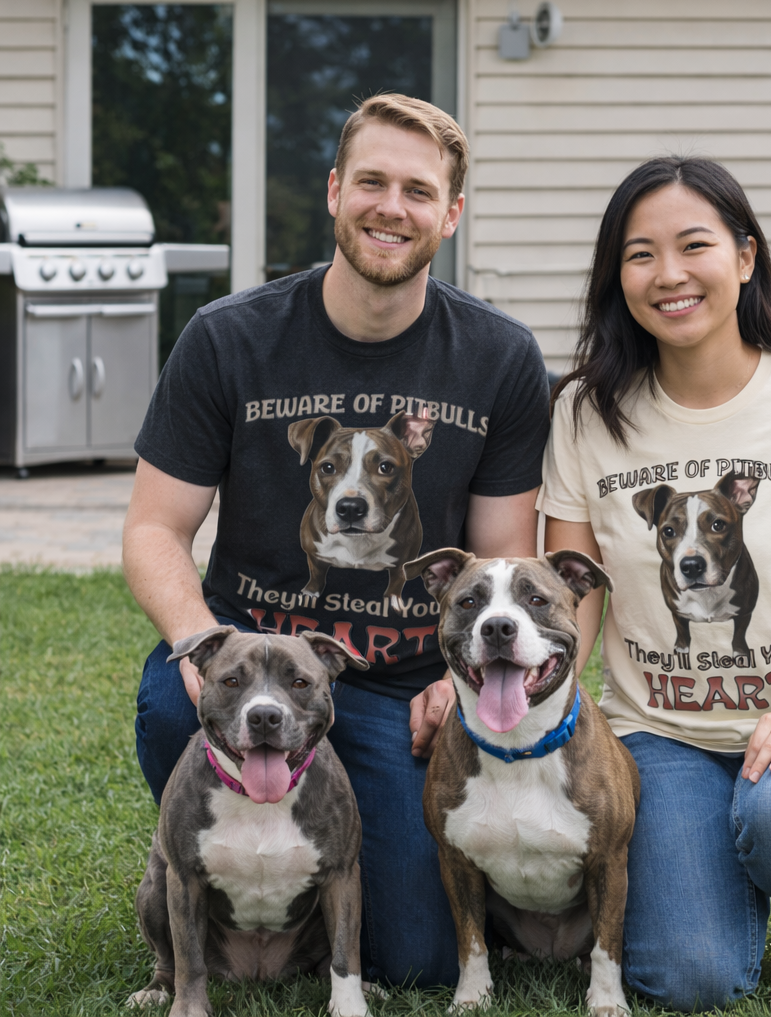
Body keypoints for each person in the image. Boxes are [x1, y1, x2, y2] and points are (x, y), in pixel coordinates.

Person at [122, 94, 550, 988]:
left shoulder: (499, 358)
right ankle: (222, 867)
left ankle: (318, 864)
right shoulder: (228, 339)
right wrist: (198, 645)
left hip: (399, 687)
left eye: (418, 191)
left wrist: (453, 679)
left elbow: (500, 562)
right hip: (256, 659)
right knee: (171, 699)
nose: (392, 207)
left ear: (451, 214)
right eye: (371, 182)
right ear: (333, 191)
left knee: (417, 957)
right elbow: (155, 528)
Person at [538, 156, 771, 1011]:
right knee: (688, 978)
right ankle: (731, 851)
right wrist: (552, 703)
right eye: (640, 254)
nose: (668, 274)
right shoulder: (585, 413)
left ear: (745, 257)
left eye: (693, 246)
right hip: (660, 734)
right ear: (617, 277)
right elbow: (574, 592)